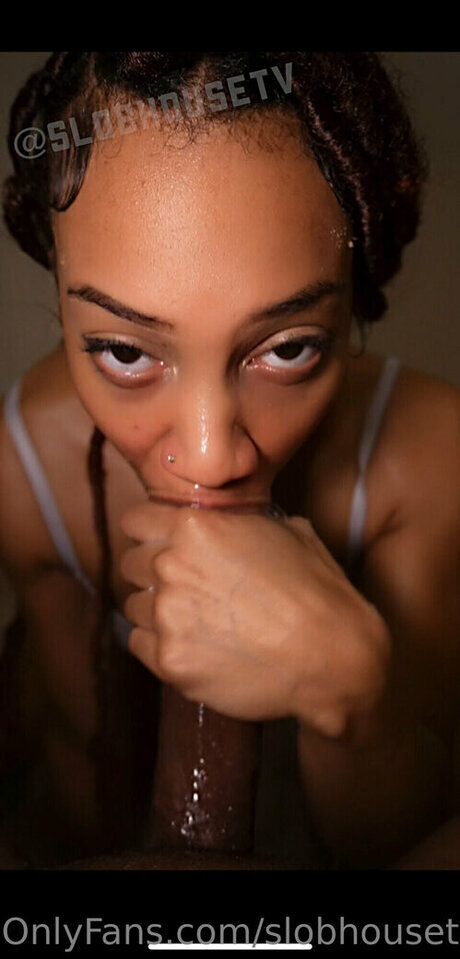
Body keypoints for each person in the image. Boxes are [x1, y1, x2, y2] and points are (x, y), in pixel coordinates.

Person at [0, 51, 458, 871]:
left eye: (288, 348)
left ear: (352, 293)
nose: (212, 458)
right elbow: (80, 787)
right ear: (58, 285)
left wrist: (347, 689)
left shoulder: (427, 460)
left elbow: (396, 844)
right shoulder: (28, 466)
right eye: (124, 352)